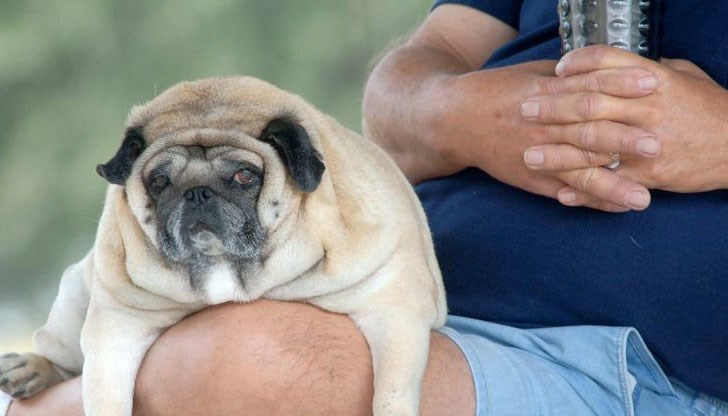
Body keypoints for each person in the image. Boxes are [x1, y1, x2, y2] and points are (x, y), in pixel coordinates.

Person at [3, 1, 727, 415]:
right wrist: (457, 112)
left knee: (254, 362)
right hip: (406, 305)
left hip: (653, 371)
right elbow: (398, 92)